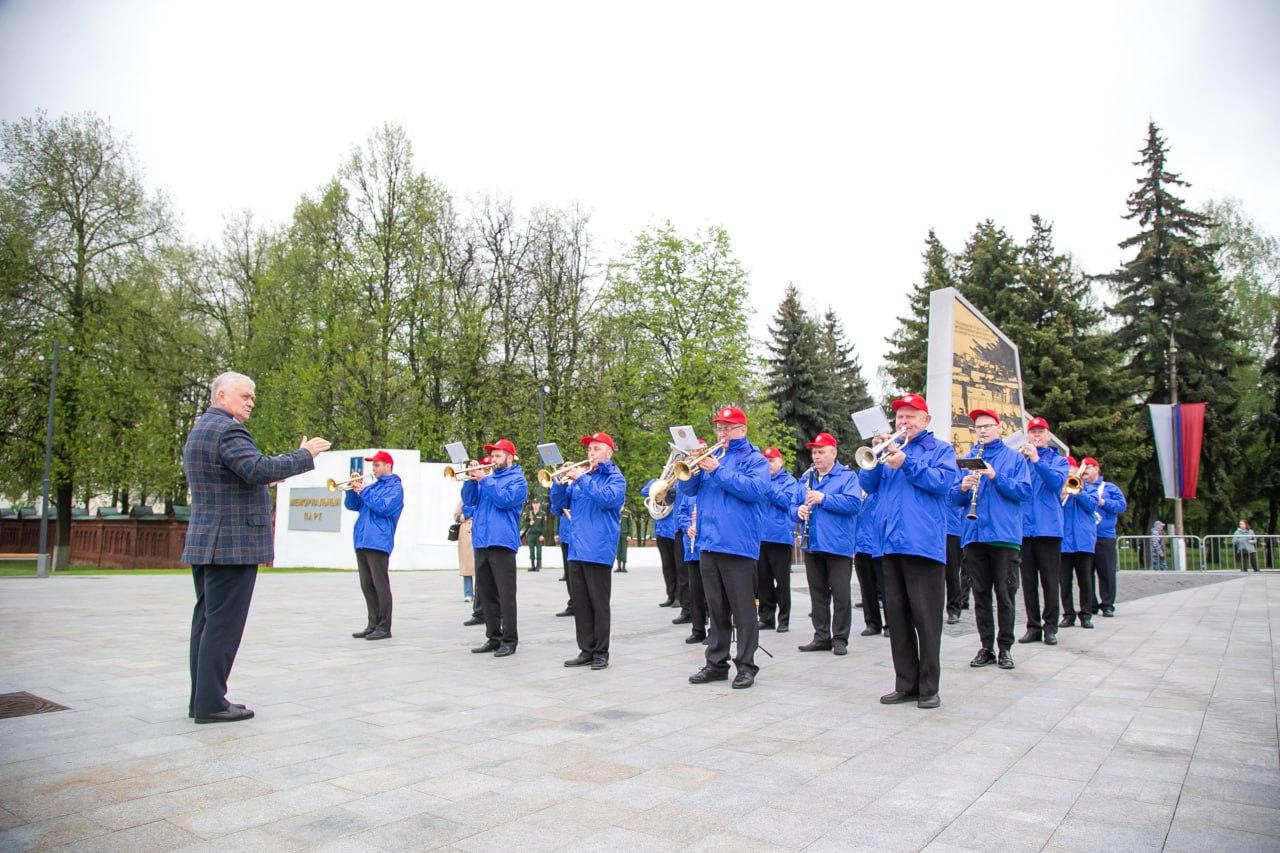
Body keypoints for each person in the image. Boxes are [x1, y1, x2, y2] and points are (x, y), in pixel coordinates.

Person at [182, 371, 329, 724]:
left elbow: (238, 473)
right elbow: (256, 468)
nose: (250, 402)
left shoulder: (202, 428)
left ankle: (202, 699)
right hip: (231, 544)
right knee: (223, 626)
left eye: (252, 397)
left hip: (208, 541)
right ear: (221, 397)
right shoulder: (228, 429)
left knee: (206, 622)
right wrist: (303, 454)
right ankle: (211, 704)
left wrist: (269, 474)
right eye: (245, 396)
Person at [860, 394, 959, 711]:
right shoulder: (890, 451)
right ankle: (906, 683)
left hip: (923, 544)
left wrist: (908, 463)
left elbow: (943, 483)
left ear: (926, 420)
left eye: (911, 416)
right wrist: (877, 456)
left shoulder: (940, 450)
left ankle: (929, 687)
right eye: (900, 417)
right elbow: (868, 483)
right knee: (898, 619)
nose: (904, 422)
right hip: (890, 543)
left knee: (926, 620)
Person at [679, 406, 769, 690]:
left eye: (728, 427)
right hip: (709, 543)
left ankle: (746, 666)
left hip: (738, 545)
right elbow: (689, 490)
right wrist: (691, 467)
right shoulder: (713, 456)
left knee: (743, 610)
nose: (722, 432)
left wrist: (717, 471)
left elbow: (754, 491)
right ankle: (716, 663)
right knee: (715, 608)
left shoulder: (755, 459)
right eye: (719, 427)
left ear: (742, 429)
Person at [951, 410, 1030, 671]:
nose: (983, 431)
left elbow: (1023, 492)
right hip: (974, 535)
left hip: (1003, 536)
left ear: (999, 428)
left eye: (987, 426)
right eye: (978, 427)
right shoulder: (969, 458)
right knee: (980, 594)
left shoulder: (1013, 458)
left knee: (1005, 595)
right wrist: (963, 487)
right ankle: (986, 646)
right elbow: (954, 498)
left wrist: (995, 476)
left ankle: (1005, 647)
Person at [554, 432, 627, 669]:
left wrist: (581, 478)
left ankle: (601, 653)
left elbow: (607, 499)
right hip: (576, 548)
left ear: (609, 451)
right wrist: (558, 483)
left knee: (598, 603)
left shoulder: (616, 478)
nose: (591, 453)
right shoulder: (581, 478)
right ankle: (585, 649)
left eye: (596, 448)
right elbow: (557, 507)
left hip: (598, 548)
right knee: (582, 604)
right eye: (589, 449)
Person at [794, 433, 862, 656]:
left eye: (821, 452)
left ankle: (840, 638)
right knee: (817, 593)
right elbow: (792, 502)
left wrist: (824, 499)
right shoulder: (807, 477)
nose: (816, 456)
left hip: (838, 544)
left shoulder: (847, 476)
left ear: (833, 453)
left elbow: (853, 503)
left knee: (841, 593)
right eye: (814, 452)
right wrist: (797, 511)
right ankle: (821, 636)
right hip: (812, 543)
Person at [461, 438, 527, 657]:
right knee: (486, 593)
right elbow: (469, 502)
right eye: (492, 455)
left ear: (509, 457)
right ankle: (493, 636)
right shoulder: (486, 479)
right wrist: (471, 481)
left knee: (505, 594)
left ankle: (510, 639)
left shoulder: (517, 479)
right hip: (481, 540)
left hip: (502, 541)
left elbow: (505, 500)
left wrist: (484, 481)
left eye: (498, 455)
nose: (492, 459)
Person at [1017, 417, 1068, 646]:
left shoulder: (1058, 460)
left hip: (1048, 528)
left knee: (1049, 581)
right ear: (1028, 436)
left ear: (1048, 436)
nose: (1036, 436)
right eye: (1033, 432)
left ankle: (1050, 627)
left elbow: (1056, 483)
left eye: (1041, 432)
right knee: (1028, 582)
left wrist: (1037, 459)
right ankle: (1033, 626)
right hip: (1024, 530)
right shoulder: (1021, 460)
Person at [344, 450, 404, 641]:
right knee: (366, 585)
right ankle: (372, 623)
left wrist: (364, 490)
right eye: (373, 465)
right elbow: (353, 506)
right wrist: (351, 489)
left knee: (380, 585)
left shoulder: (395, 488)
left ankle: (384, 627)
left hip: (378, 540)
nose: (374, 468)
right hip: (362, 539)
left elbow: (383, 508)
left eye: (377, 465)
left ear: (388, 466)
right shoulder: (374, 487)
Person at [757, 446, 798, 633]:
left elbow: (786, 502)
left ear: (780, 462)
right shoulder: (759, 480)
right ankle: (766, 617)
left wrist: (768, 487)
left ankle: (784, 618)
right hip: (760, 536)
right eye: (765, 462)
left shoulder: (789, 481)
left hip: (780, 537)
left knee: (782, 582)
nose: (768, 465)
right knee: (762, 581)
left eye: (772, 461)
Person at [1060, 456, 1099, 628]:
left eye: (1071, 471)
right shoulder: (1059, 489)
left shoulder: (1088, 488)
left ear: (1077, 471)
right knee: (1064, 582)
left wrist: (1078, 491)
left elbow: (1091, 506)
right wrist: (1064, 491)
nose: (1069, 474)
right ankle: (1068, 614)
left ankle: (1086, 614)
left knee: (1085, 581)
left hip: (1083, 541)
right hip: (1063, 542)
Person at [1087, 457, 1127, 615]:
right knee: (1085, 573)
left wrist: (1104, 502)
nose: (1086, 471)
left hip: (1105, 535)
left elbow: (1122, 505)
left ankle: (1107, 604)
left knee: (1107, 572)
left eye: (1089, 467)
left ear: (1097, 468)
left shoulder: (1109, 487)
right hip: (1086, 537)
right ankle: (1090, 604)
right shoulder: (1079, 487)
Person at [641, 477, 681, 606]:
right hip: (660, 530)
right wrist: (659, 484)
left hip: (674, 530)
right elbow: (644, 491)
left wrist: (671, 488)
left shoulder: (680, 483)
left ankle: (680, 597)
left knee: (678, 566)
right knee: (667, 566)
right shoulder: (657, 482)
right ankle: (671, 595)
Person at [854, 487, 887, 636]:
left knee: (887, 589)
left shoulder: (882, 489)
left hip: (879, 546)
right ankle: (872, 623)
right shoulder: (859, 489)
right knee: (866, 589)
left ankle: (891, 624)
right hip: (861, 545)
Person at [678, 491, 706, 644]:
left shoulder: (710, 491)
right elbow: (680, 514)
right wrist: (688, 526)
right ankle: (698, 630)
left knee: (712, 595)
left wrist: (700, 521)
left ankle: (714, 631)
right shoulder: (688, 494)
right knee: (695, 593)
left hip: (709, 549)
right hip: (692, 550)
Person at [454, 497, 481, 624]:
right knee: (466, 565)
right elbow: (455, 515)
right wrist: (461, 517)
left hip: (477, 530)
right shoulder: (463, 501)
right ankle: (468, 593)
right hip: (465, 532)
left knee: (479, 566)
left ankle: (479, 594)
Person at [943, 493, 967, 625]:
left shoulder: (960, 472)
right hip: (933, 527)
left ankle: (954, 609)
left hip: (952, 529)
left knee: (952, 572)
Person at [522, 500, 547, 571]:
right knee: (531, 551)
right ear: (532, 505)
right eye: (534, 503)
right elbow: (525, 524)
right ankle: (532, 566)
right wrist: (529, 523)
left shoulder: (542, 514)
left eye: (537, 503)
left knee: (539, 551)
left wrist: (543, 535)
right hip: (531, 535)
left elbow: (544, 526)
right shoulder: (529, 514)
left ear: (539, 504)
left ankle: (538, 566)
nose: (535, 505)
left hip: (539, 535)